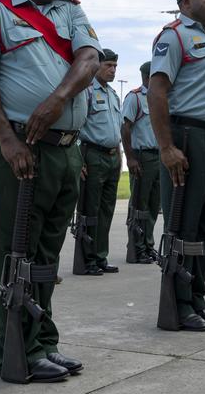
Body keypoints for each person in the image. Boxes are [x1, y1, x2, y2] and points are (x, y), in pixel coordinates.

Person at [0, 0, 101, 382]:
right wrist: (6, 141)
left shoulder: (70, 9)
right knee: (15, 255)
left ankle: (44, 342)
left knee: (46, 257)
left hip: (64, 148)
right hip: (21, 149)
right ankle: (17, 352)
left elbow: (88, 59)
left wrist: (57, 101)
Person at [148, 0, 205, 331]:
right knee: (185, 226)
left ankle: (196, 296)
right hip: (190, 138)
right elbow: (157, 92)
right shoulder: (174, 37)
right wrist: (166, 147)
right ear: (185, 3)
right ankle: (178, 303)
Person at [78, 48, 122, 275]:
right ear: (97, 66)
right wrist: (79, 160)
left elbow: (117, 129)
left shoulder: (113, 94)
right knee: (90, 209)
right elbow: (77, 124)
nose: (113, 70)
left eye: (115, 66)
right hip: (92, 155)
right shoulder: (86, 91)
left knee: (106, 210)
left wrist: (120, 154)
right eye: (108, 66)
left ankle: (100, 255)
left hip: (112, 157)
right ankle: (87, 260)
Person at [121, 61, 160, 264]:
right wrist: (130, 158)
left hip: (158, 156)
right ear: (148, 76)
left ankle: (148, 245)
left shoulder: (160, 97)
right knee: (139, 205)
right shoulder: (135, 97)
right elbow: (125, 127)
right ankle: (136, 248)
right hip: (142, 156)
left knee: (154, 205)